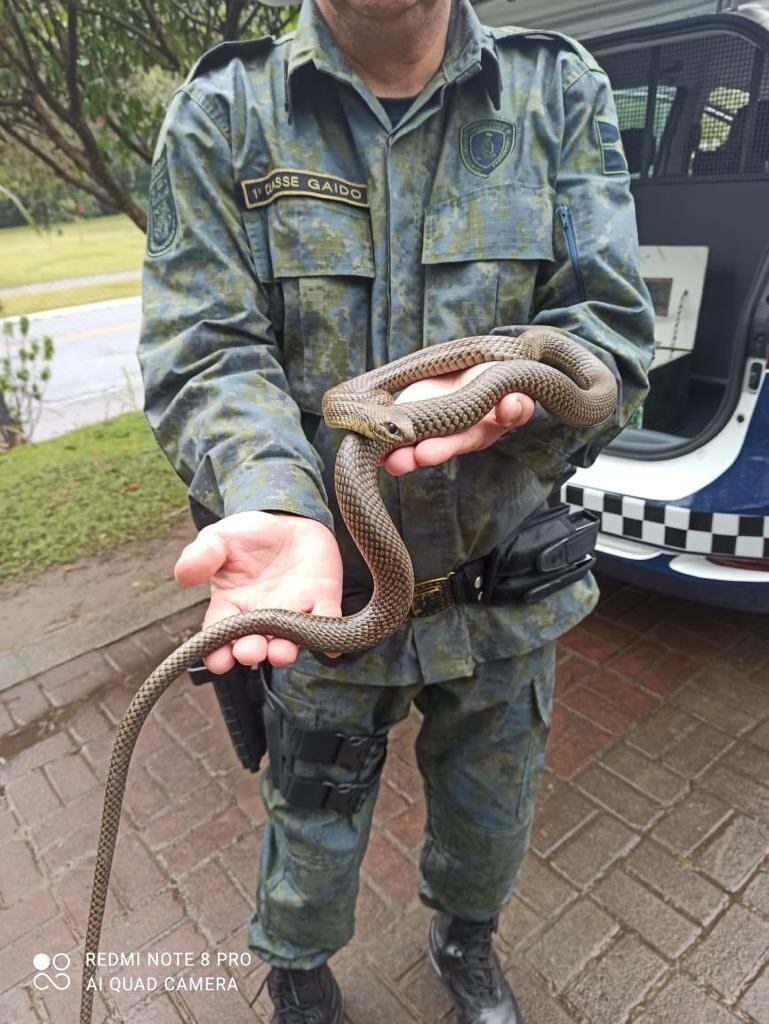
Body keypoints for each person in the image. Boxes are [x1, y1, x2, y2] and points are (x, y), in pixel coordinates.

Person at [139, 0, 654, 1020]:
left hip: (502, 593)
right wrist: (284, 503)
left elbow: (608, 338)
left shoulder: (560, 90)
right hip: (329, 599)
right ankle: (297, 966)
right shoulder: (222, 110)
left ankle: (467, 943)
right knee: (310, 819)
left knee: (490, 815)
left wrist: (514, 391)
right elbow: (204, 349)